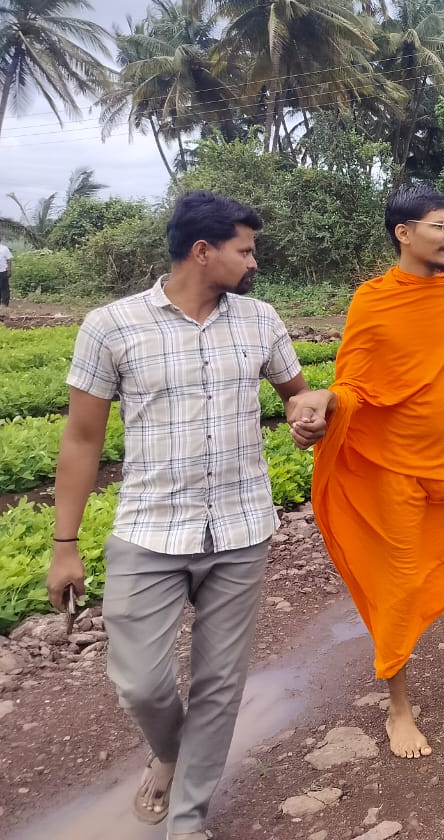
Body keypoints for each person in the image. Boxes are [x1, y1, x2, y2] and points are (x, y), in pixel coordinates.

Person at [45, 191, 311, 840]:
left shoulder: (260, 321)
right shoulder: (111, 326)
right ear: (203, 252)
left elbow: (299, 393)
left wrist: (310, 413)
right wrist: (63, 543)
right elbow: (82, 439)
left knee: (220, 685)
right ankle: (169, 750)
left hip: (242, 529)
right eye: (244, 250)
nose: (254, 262)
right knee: (140, 682)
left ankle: (187, 821)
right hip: (149, 530)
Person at [285, 187, 444, 760]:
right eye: (441, 225)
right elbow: (357, 386)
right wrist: (324, 402)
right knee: (401, 583)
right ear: (404, 233)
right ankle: (399, 706)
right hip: (394, 470)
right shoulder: (373, 301)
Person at [0, 240, 12, 307]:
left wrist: (9, 270)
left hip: (3, 271)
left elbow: (9, 260)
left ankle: (5, 303)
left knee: (4, 287)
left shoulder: (4, 248)